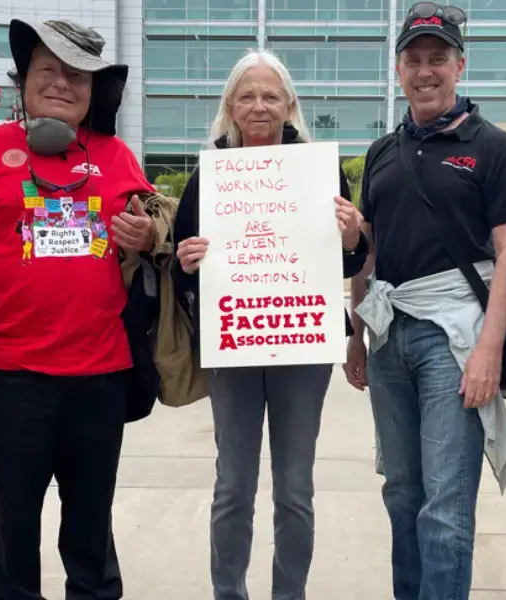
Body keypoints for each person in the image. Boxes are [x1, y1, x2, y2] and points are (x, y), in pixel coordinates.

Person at [0, 18, 162, 600]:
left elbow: (153, 226)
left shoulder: (115, 155)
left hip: (101, 374)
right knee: (14, 524)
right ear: (23, 82)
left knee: (90, 524)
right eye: (47, 70)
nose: (61, 83)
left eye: (76, 74)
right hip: (8, 375)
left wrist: (145, 234)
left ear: (93, 90)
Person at [344, 4, 506, 598]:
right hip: (389, 336)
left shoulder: (495, 147)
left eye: (438, 59)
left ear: (459, 66)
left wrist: (489, 352)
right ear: (398, 69)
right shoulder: (381, 152)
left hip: (455, 337)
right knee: (402, 491)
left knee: (446, 504)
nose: (426, 71)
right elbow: (368, 254)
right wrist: (356, 335)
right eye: (414, 59)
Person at [172, 49, 369, 600]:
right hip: (233, 343)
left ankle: (290, 594)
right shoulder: (209, 172)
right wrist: (187, 260)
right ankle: (228, 592)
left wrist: (353, 235)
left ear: (289, 107)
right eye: (246, 95)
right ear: (230, 107)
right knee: (233, 485)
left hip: (302, 347)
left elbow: (350, 261)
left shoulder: (318, 171)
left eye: (270, 95)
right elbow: (179, 267)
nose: (258, 106)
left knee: (295, 490)